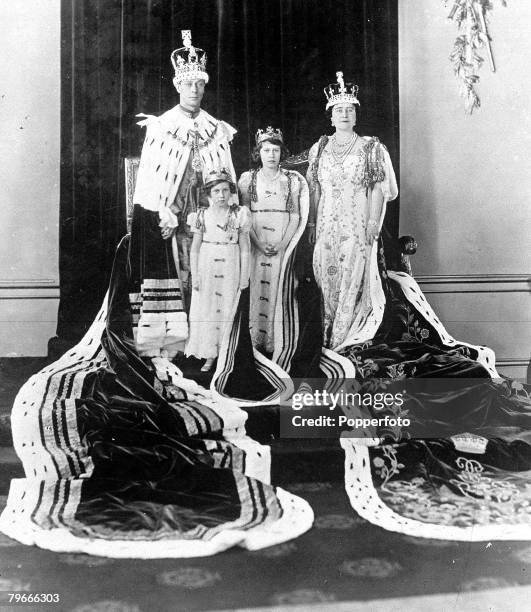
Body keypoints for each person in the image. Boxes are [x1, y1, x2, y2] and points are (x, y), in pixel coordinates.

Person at [130, 30, 238, 361]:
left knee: (207, 278)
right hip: (171, 219)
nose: (194, 90)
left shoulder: (217, 129)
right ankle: (174, 342)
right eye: (188, 84)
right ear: (177, 85)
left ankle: (208, 345)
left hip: (208, 218)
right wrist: (164, 214)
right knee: (178, 274)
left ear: (204, 87)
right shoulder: (160, 128)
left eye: (200, 84)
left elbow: (227, 180)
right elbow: (148, 182)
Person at [307, 71, 397, 351]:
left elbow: (379, 188)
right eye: (338, 110)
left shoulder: (371, 147)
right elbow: (314, 190)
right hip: (325, 224)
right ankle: (325, 332)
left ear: (356, 116)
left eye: (349, 110)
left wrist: (373, 222)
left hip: (357, 223)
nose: (344, 114)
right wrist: (311, 225)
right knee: (325, 271)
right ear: (330, 116)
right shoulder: (320, 148)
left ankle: (344, 337)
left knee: (351, 273)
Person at [238, 127, 308, 355]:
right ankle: (256, 342)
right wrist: (257, 243)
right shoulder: (248, 179)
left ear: (281, 152)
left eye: (275, 150)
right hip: (257, 240)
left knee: (280, 287)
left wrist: (283, 244)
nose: (271, 155)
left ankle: (276, 342)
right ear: (259, 153)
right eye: (266, 150)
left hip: (281, 241)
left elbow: (296, 215)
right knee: (258, 285)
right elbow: (245, 213)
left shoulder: (291, 180)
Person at [185, 169, 251, 371]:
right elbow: (195, 249)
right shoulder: (201, 216)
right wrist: (195, 276)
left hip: (230, 265)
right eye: (216, 191)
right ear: (208, 194)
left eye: (225, 190)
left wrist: (244, 277)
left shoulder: (239, 214)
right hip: (207, 265)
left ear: (231, 192)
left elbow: (245, 248)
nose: (221, 195)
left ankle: (226, 352)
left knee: (227, 308)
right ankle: (210, 354)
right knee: (208, 308)